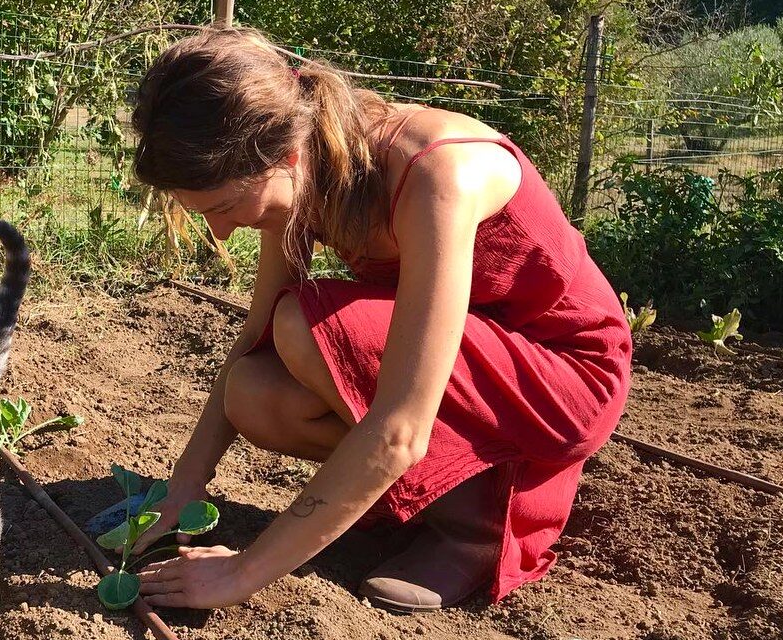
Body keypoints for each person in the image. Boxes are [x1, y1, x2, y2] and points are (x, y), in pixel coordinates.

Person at [127, 28, 632, 613]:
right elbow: (252, 335)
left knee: (306, 325)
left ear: (283, 157)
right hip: (470, 366)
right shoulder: (305, 169)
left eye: (222, 207)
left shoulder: (436, 175)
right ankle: (423, 501)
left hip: (563, 377)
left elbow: (399, 427)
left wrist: (245, 572)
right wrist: (184, 486)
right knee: (253, 391)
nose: (220, 231)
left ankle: (475, 530)